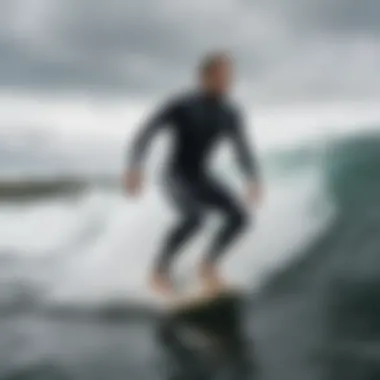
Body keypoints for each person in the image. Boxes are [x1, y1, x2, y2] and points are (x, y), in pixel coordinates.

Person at [124, 52, 262, 296]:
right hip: (174, 176)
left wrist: (253, 178)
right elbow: (146, 132)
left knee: (240, 218)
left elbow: (242, 149)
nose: (228, 81)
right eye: (222, 76)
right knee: (195, 218)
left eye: (230, 76)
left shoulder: (230, 113)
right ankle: (159, 270)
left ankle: (208, 265)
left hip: (201, 176)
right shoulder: (182, 105)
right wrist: (135, 167)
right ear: (205, 77)